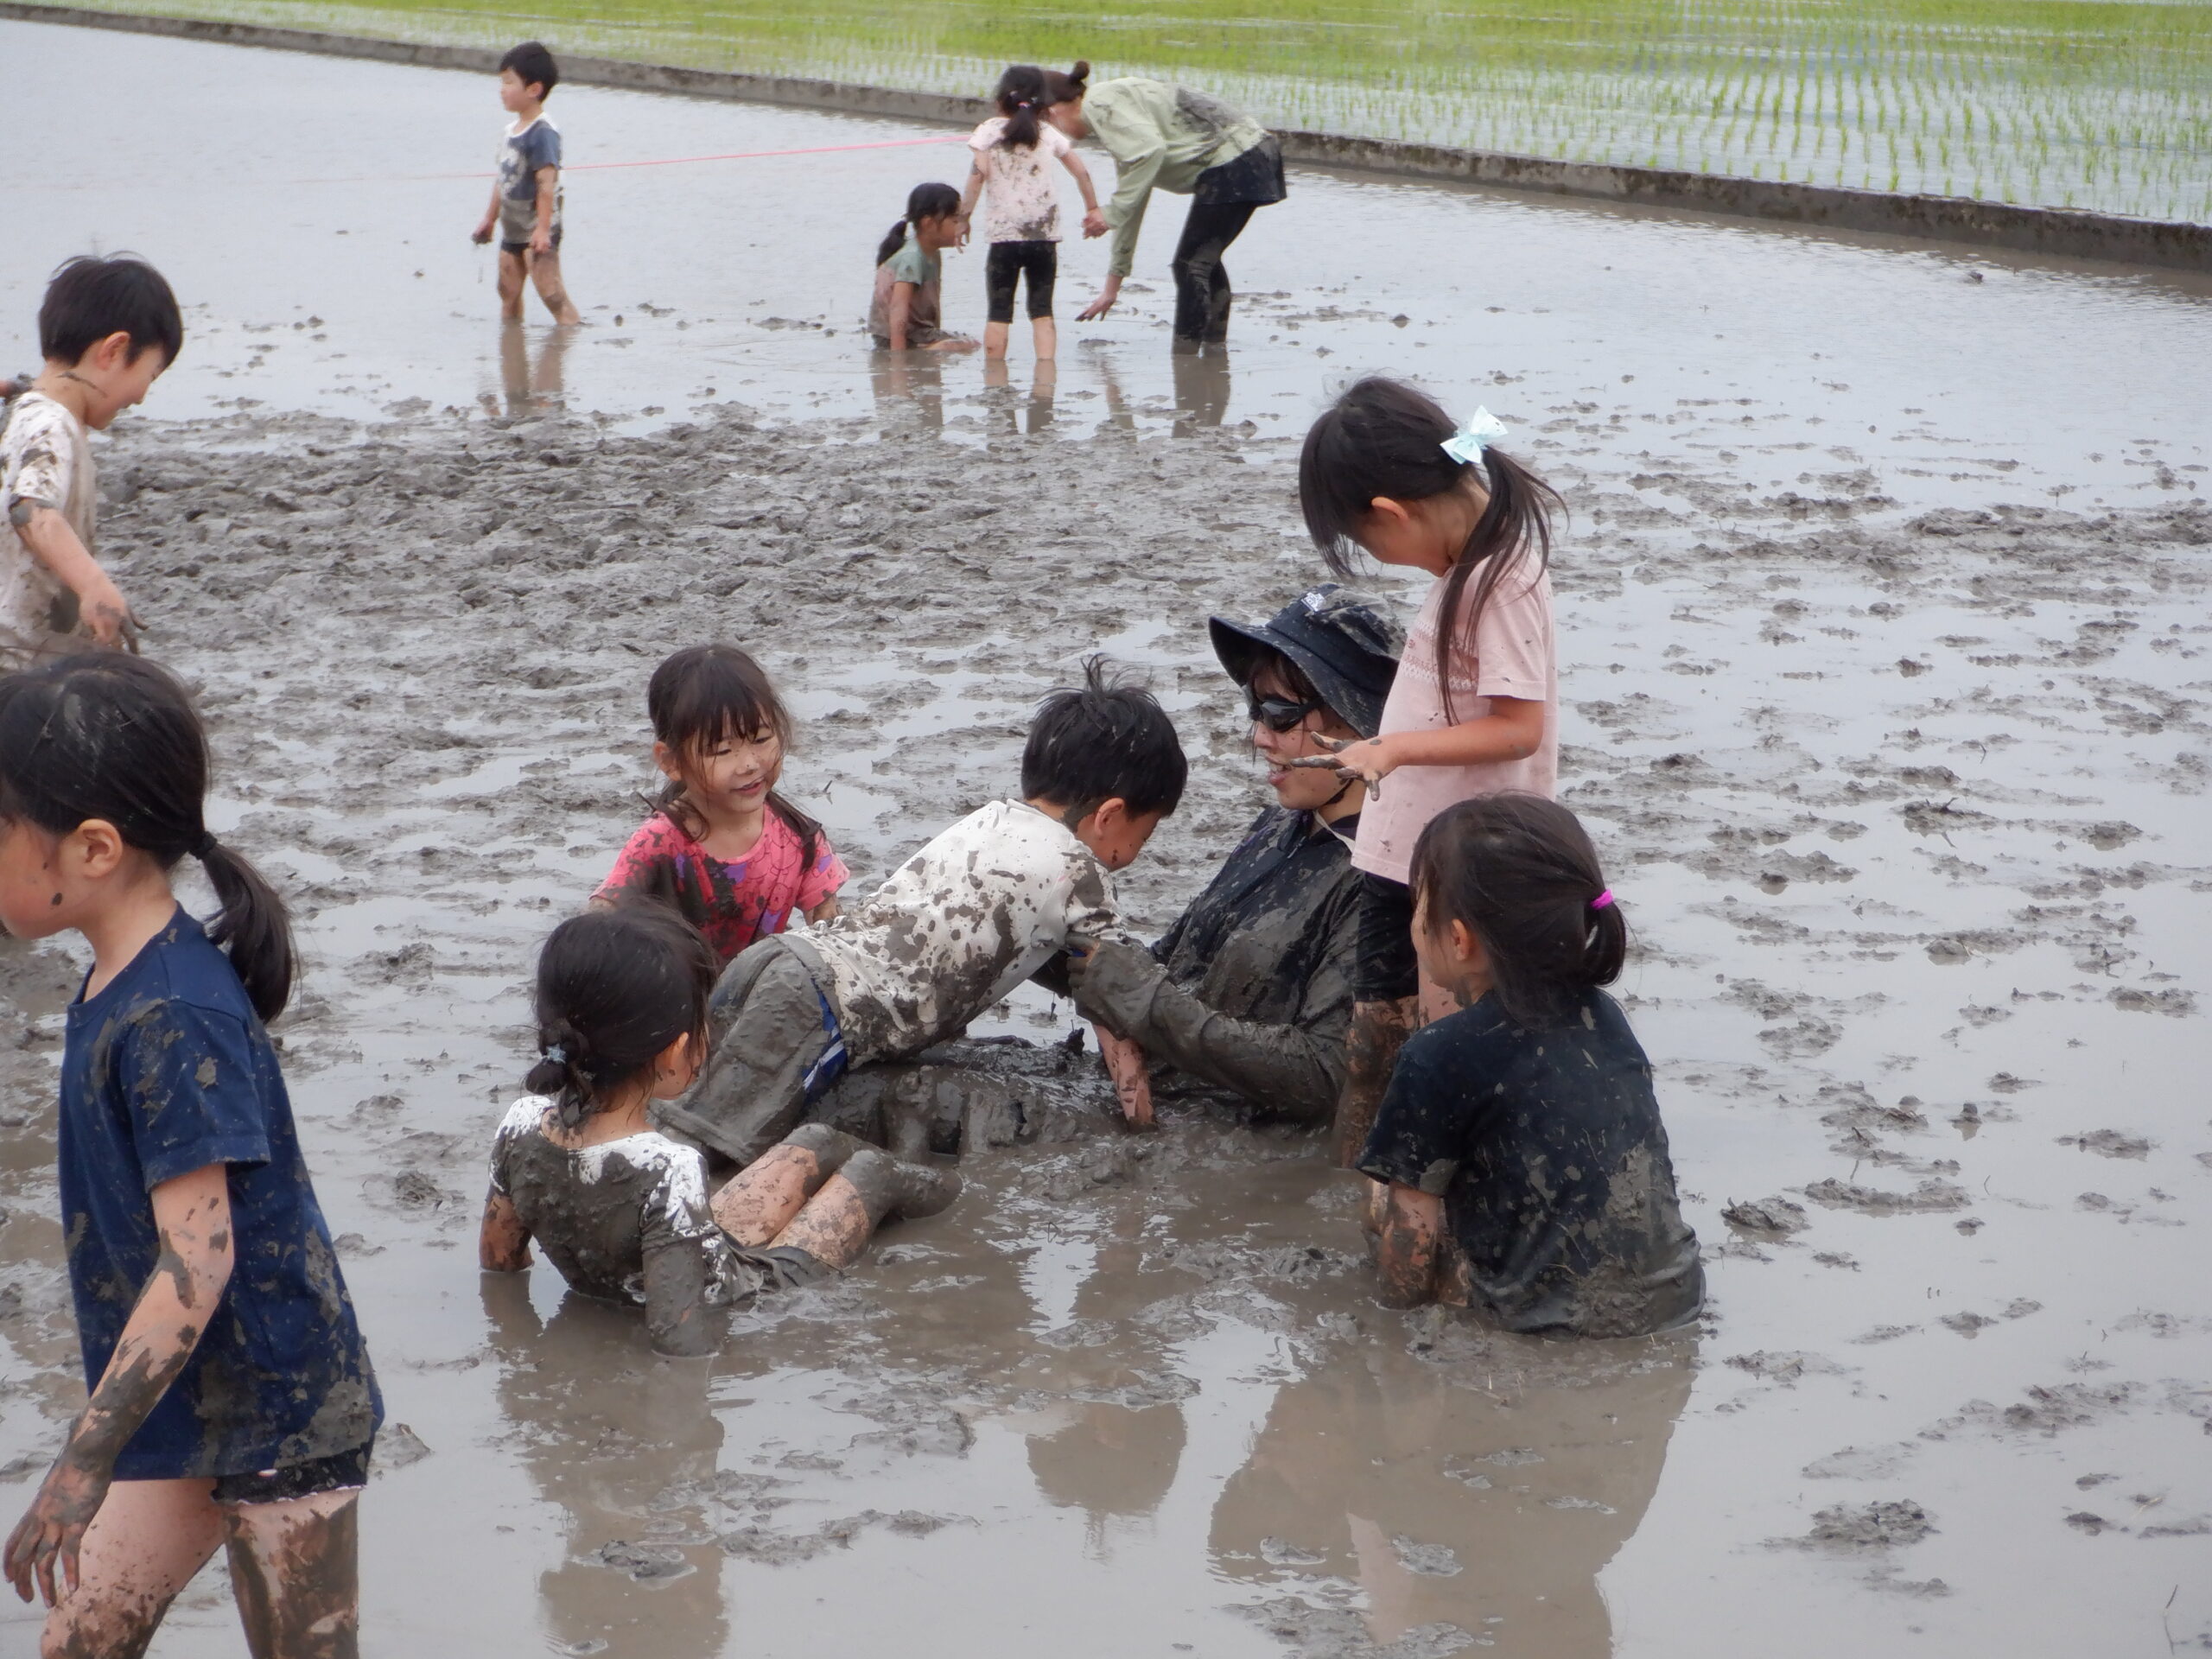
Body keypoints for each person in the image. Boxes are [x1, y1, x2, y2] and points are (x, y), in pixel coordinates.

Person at [0, 655, 380, 1654]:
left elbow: (197, 1259)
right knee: (78, 1644)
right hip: (186, 1411)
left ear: (91, 849)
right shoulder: (116, 984)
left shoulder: (171, 1011)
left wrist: (82, 1462)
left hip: (281, 1410)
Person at [659, 658, 1187, 1166]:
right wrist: (1143, 1127)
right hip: (819, 1007)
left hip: (777, 962)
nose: (1139, 850)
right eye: (1147, 831)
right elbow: (1115, 1014)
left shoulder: (990, 818)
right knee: (713, 1147)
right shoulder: (1083, 876)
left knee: (686, 1103)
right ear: (1111, 815)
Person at [479, 904, 960, 1357]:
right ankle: (955, 1185)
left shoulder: (520, 1122)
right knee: (873, 1170)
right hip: (748, 1289)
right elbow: (682, 1340)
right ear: (673, 1053)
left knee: (816, 1139)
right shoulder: (669, 1167)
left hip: (685, 1260)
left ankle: (909, 1169)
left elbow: (500, 1260)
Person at [1298, 377, 1563, 1167]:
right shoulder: (1467, 567)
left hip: (1459, 873)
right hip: (1398, 857)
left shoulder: (1502, 578)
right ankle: (1354, 1194)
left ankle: (1430, 1220)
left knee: (1445, 1056)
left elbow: (1520, 728)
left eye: (1370, 546)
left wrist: (1394, 750)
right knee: (1373, 1043)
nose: (1383, 559)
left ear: (1392, 513)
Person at [1358, 794, 1703, 1337]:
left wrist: (1386, 1333)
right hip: (1675, 1303)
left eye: (1418, 906)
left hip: (1542, 1328)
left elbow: (1411, 1246)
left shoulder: (1436, 1054)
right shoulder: (1605, 1016)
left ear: (1458, 939)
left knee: (1381, 1199)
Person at [1066, 584, 1400, 1128]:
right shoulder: (1278, 826)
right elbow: (1168, 966)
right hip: (1156, 1094)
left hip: (1215, 1128)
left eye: (1281, 716)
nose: (1258, 737)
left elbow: (1330, 1075)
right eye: (1255, 709)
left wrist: (1143, 999)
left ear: (1361, 721)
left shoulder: (1379, 877)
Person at [594, 644, 848, 965]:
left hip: (759, 995)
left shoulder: (800, 839)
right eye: (722, 751)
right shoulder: (660, 843)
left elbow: (831, 932)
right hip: (674, 997)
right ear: (672, 762)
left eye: (760, 740)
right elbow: (601, 920)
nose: (749, 764)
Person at [1, 255, 181, 667]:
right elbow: (30, 509)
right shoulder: (51, 424)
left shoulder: (30, 408)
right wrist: (94, 584)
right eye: (149, 376)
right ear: (114, 351)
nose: (140, 397)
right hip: (16, 662)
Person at [1040, 61, 1287, 347]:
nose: (1057, 131)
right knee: (1203, 261)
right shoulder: (1116, 120)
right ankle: (1212, 353)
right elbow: (1133, 198)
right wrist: (1111, 288)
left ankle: (1185, 357)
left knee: (1190, 264)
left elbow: (1150, 152)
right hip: (1251, 155)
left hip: (1236, 159)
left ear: (1056, 108)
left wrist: (1111, 214)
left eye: (1048, 121)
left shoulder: (1098, 104)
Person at [957, 65, 1100, 362]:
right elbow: (1081, 173)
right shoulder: (1049, 134)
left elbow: (977, 175)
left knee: (998, 312)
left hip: (1004, 238)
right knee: (1042, 310)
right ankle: (1046, 377)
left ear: (1001, 100)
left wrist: (963, 219)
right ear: (1042, 101)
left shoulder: (988, 131)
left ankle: (994, 377)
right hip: (1044, 237)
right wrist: (1093, 209)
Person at [471, 41, 582, 326]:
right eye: (502, 82)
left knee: (550, 293)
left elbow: (547, 184)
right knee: (507, 290)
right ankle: (512, 353)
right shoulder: (510, 132)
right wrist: (489, 219)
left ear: (534, 89)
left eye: (509, 82)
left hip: (537, 229)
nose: (502, 89)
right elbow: (502, 180)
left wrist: (543, 229)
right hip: (512, 227)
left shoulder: (543, 134)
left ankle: (567, 340)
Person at [869, 183, 976, 353]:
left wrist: (936, 332)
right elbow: (898, 308)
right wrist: (899, 357)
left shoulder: (933, 255)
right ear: (929, 223)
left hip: (917, 333)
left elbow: (933, 305)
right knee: (964, 346)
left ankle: (925, 349)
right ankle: (922, 352)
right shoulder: (912, 258)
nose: (960, 227)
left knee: (971, 343)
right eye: (955, 220)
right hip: (895, 337)